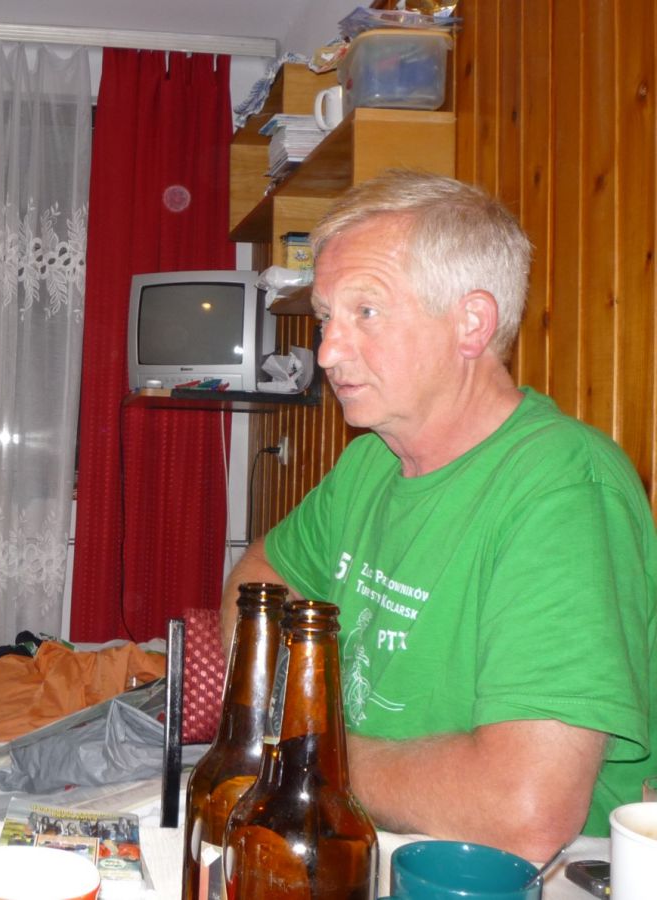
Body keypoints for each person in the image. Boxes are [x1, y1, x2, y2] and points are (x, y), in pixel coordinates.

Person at [222, 170, 656, 862]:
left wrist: (308, 750)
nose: (327, 351)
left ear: (471, 324)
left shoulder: (562, 487)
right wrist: (286, 713)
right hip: (360, 835)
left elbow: (523, 809)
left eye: (366, 312)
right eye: (327, 318)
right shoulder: (369, 461)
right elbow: (260, 579)